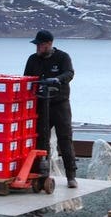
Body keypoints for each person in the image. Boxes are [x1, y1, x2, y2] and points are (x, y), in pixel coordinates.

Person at [23, 29, 77, 188]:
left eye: (40, 45)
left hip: (59, 105)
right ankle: (41, 174)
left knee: (65, 139)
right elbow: (26, 78)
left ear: (48, 44)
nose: (37, 48)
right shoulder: (32, 59)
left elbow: (69, 73)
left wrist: (57, 79)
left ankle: (71, 176)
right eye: (36, 45)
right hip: (41, 105)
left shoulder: (62, 57)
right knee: (41, 140)